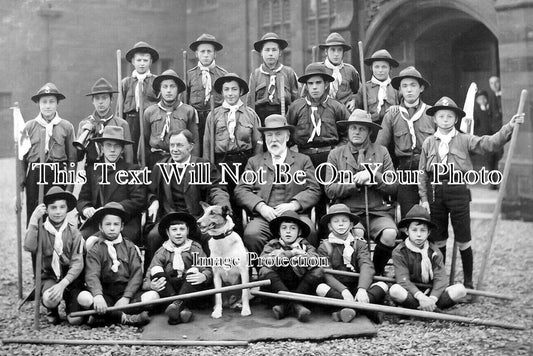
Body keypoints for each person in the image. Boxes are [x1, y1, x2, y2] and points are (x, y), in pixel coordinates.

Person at [418, 96, 524, 289]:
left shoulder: (464, 139)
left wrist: (509, 126)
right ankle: (439, 281)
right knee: (439, 239)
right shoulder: (428, 143)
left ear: (456, 119)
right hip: (435, 194)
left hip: (458, 192)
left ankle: (468, 282)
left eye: (449, 116)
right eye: (441, 116)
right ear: (435, 119)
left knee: (463, 239)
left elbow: (489, 143)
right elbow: (422, 173)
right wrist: (424, 198)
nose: (445, 120)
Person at [324, 109, 398, 276]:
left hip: (378, 212)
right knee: (357, 234)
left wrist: (374, 176)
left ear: (369, 131)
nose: (356, 132)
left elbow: (393, 186)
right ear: (348, 130)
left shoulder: (382, 152)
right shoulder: (335, 154)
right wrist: (354, 184)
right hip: (349, 212)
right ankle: (356, 277)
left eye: (362, 129)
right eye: (353, 128)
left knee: (390, 233)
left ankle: (376, 273)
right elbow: (329, 189)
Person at [234, 115, 321, 255]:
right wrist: (261, 207)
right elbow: (241, 190)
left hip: (296, 215)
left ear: (287, 137)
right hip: (265, 216)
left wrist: (294, 205)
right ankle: (265, 271)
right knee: (252, 235)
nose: (273, 139)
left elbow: (314, 189)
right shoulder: (254, 162)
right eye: (269, 135)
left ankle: (302, 272)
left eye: (278, 134)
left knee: (309, 231)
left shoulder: (303, 160)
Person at [146, 129, 230, 265]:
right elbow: (150, 190)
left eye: (179, 145)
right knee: (153, 236)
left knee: (210, 236)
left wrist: (221, 206)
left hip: (196, 219)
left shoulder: (203, 166)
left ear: (190, 147)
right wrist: (154, 201)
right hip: (170, 218)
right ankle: (151, 277)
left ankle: (210, 277)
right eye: (172, 145)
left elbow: (217, 189)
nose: (174, 149)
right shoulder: (160, 167)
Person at [287, 62, 350, 225]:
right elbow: (288, 135)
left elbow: (347, 134)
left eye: (318, 83)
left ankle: (327, 233)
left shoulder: (336, 107)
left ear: (326, 84)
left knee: (327, 196)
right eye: (310, 83)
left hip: (328, 157)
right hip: (303, 157)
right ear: (306, 86)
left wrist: (337, 151)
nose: (314, 87)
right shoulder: (296, 107)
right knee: (305, 196)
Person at [203, 73, 262, 234]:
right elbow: (208, 144)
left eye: (234, 89)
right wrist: (210, 168)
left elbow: (258, 143)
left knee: (242, 198)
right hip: (221, 163)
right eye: (226, 89)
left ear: (240, 91)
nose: (230, 93)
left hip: (244, 163)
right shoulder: (213, 115)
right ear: (222, 92)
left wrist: (255, 167)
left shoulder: (250, 114)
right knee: (223, 198)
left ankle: (244, 234)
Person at [77, 202, 150, 326]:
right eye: (108, 224)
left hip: (125, 291)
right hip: (105, 292)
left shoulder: (130, 247)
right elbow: (92, 275)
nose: (112, 228)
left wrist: (126, 297)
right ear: (100, 227)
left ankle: (103, 317)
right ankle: (126, 318)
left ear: (122, 227)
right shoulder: (95, 249)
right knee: (84, 298)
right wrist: (98, 296)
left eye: (116, 224)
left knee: (152, 296)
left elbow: (137, 274)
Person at [376, 66, 434, 217]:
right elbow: (380, 147)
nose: (409, 90)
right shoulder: (392, 114)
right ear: (400, 89)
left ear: (421, 88)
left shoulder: (432, 114)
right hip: (405, 171)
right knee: (409, 217)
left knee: (433, 215)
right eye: (405, 86)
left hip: (430, 171)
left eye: (413, 85)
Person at [315, 204, 388, 323]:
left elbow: (366, 266)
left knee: (383, 285)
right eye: (336, 221)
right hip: (338, 288)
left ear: (351, 225)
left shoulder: (359, 244)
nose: (340, 224)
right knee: (321, 288)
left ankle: (349, 309)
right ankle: (364, 310)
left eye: (344, 221)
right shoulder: (325, 246)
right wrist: (343, 290)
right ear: (330, 226)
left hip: (356, 285)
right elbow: (326, 274)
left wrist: (362, 289)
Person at [23, 187, 84, 325]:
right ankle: (52, 309)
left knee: (76, 320)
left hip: (70, 279)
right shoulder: (42, 229)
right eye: (53, 207)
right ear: (47, 210)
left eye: (62, 207)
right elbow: (29, 246)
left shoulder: (74, 232)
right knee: (50, 298)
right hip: (50, 276)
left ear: (67, 209)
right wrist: (33, 221)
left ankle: (70, 304)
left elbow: (77, 263)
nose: (58, 212)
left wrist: (63, 284)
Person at [77, 126, 146, 246]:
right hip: (97, 224)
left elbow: (138, 201)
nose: (112, 150)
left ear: (122, 150)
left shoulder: (133, 170)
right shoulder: (92, 170)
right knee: (79, 240)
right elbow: (83, 199)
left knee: (98, 242)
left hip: (125, 223)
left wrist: (113, 208)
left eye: (117, 146)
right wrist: (86, 209)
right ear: (102, 148)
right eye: (108, 145)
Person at [389, 205, 467, 311]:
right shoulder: (399, 252)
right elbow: (403, 280)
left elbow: (441, 279)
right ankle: (429, 309)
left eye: (423, 230)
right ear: (407, 231)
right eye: (414, 230)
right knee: (395, 290)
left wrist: (431, 299)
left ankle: (424, 308)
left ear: (428, 232)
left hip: (431, 292)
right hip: (412, 292)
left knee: (460, 290)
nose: (419, 234)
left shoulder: (434, 252)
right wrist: (420, 297)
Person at [20, 83, 77, 221]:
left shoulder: (66, 127)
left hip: (58, 175)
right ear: (38, 104)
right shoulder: (29, 126)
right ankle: (36, 240)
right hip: (35, 175)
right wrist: (20, 188)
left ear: (57, 103)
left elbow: (72, 160)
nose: (48, 106)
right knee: (35, 215)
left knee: (56, 214)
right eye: (44, 102)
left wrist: (69, 188)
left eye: (52, 102)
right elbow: (22, 159)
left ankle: (56, 242)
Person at [142, 212, 212, 325]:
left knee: (194, 271)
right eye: (174, 230)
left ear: (188, 231)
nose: (178, 233)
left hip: (189, 288)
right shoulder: (162, 252)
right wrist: (151, 285)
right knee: (156, 270)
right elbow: (148, 276)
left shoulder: (195, 248)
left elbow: (207, 268)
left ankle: (175, 309)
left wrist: (204, 276)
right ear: (167, 233)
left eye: (182, 229)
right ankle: (182, 309)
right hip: (169, 289)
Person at [258, 211, 322, 322]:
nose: (288, 231)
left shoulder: (305, 245)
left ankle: (286, 306)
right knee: (264, 270)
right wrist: (291, 254)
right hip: (278, 289)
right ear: (279, 231)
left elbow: (315, 259)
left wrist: (303, 257)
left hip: (301, 288)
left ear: (299, 231)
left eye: (293, 228)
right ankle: (296, 305)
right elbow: (264, 260)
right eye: (284, 228)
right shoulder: (272, 244)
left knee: (319, 271)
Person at [143, 69, 200, 169]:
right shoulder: (150, 112)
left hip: (181, 159)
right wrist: (143, 164)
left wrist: (193, 165)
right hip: (156, 159)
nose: (168, 90)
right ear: (160, 90)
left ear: (178, 89)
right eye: (165, 87)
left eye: (172, 86)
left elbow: (194, 141)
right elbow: (144, 140)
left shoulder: (189, 111)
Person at [186, 34, 228, 157]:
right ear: (196, 54)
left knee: (214, 150)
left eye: (209, 51)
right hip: (196, 119)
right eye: (202, 51)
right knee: (196, 150)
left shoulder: (223, 75)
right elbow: (184, 101)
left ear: (214, 54)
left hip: (216, 118)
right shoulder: (189, 75)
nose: (205, 55)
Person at [77, 78, 133, 167]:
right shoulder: (84, 124)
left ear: (111, 100)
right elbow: (78, 154)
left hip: (115, 169)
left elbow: (128, 156)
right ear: (92, 101)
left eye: (104, 98)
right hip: (91, 169)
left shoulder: (121, 124)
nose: (100, 102)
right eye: (97, 98)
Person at [248, 32, 299, 124]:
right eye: (267, 50)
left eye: (274, 50)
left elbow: (296, 101)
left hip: (284, 118)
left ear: (280, 53)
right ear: (261, 53)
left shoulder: (288, 73)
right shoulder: (255, 75)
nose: (270, 53)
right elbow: (250, 103)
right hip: (261, 120)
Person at [122, 41, 159, 164]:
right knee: (131, 150)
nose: (142, 64)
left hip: (149, 120)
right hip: (131, 120)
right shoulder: (126, 82)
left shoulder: (156, 81)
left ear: (150, 62)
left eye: (145, 60)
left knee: (148, 150)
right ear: (133, 61)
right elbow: (120, 108)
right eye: (139, 60)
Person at [318, 32, 360, 111]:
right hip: (325, 112)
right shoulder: (319, 69)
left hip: (345, 112)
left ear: (343, 52)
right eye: (333, 50)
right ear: (326, 52)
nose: (336, 54)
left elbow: (359, 91)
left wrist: (354, 100)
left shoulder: (350, 70)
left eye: (339, 50)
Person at [356, 49, 400, 125]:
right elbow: (358, 110)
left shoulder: (396, 87)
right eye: (376, 67)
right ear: (371, 68)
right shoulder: (365, 88)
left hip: (392, 126)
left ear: (390, 68)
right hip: (372, 128)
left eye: (384, 67)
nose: (380, 70)